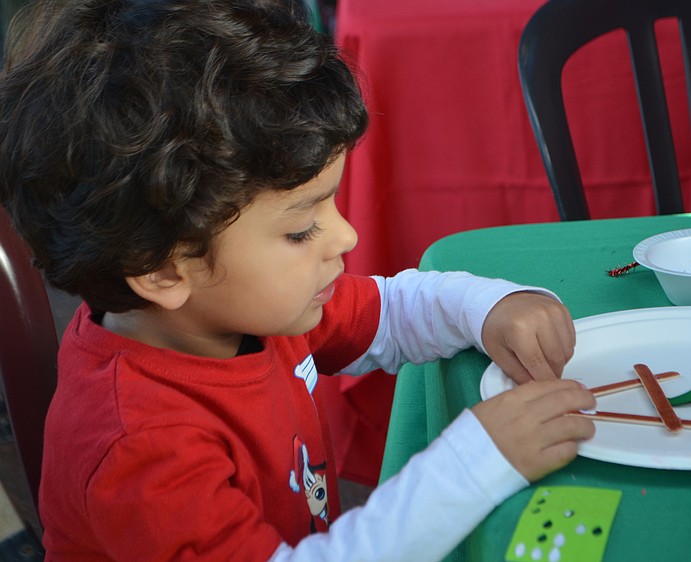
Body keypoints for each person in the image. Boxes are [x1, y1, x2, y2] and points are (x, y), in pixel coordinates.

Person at [0, 0, 596, 560]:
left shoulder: (241, 308)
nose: (346, 238)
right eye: (301, 229)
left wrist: (489, 308)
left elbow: (386, 313)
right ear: (163, 268)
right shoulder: (138, 450)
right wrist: (471, 467)